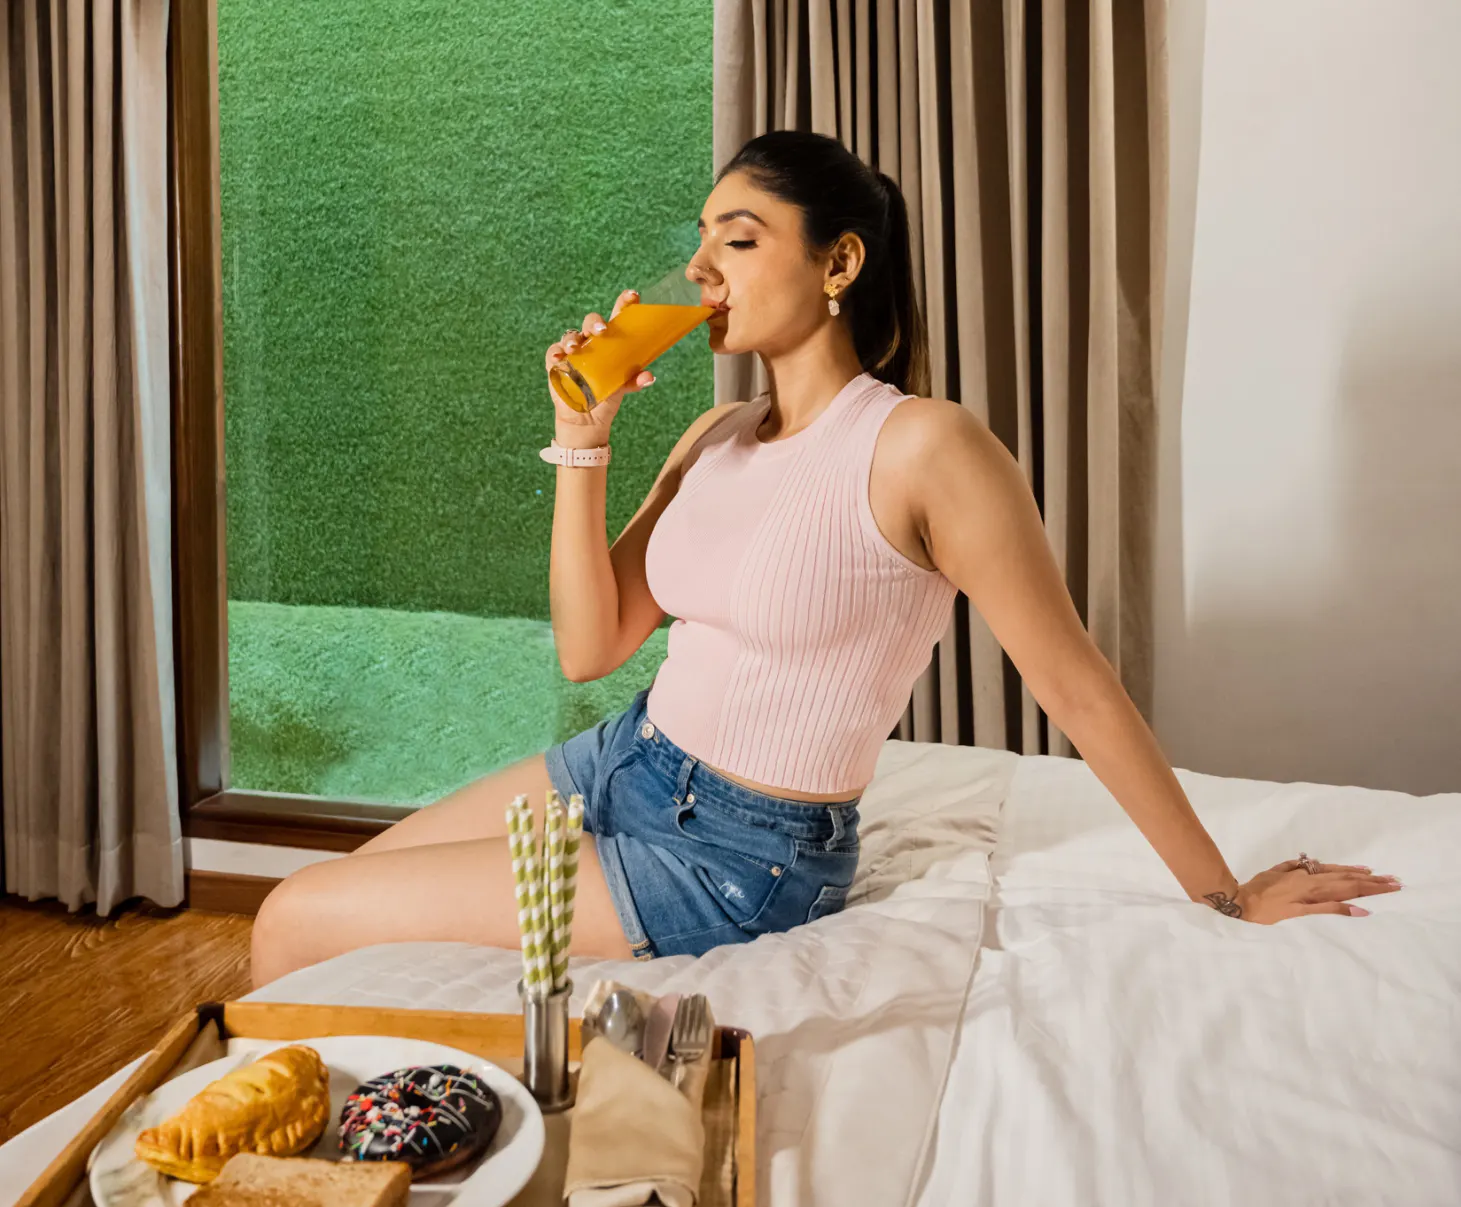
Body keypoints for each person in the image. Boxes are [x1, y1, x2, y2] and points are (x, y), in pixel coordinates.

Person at [250, 131, 1400, 988]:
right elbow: (590, 645)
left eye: (739, 239)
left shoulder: (925, 448)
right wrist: (582, 439)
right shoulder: (715, 434)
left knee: (291, 919)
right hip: (624, 760)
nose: (701, 266)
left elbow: (1078, 687)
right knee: (326, 905)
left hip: (738, 856)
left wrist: (1224, 894)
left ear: (838, 260)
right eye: (701, 238)